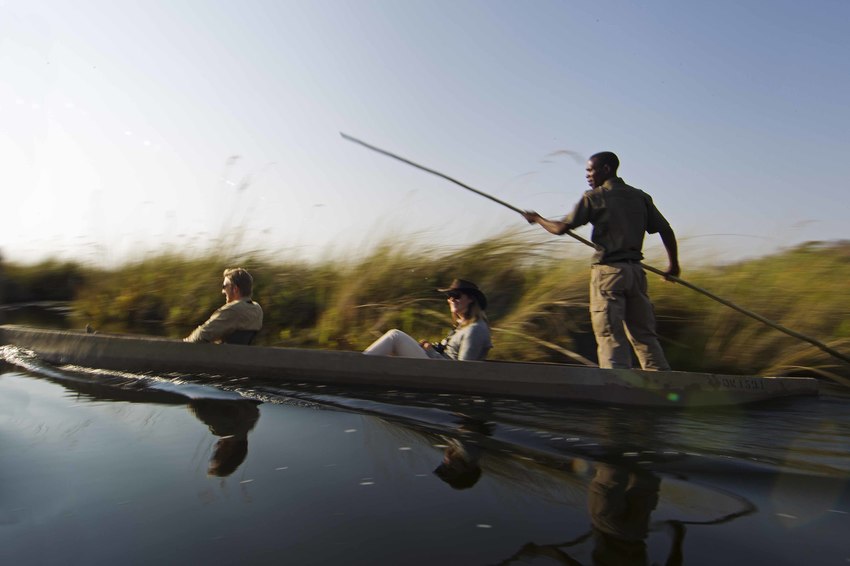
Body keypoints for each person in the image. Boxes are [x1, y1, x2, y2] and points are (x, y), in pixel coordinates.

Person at [522, 152, 679, 370]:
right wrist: (673, 265)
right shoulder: (640, 196)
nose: (587, 175)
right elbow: (665, 230)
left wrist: (537, 218)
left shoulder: (595, 197)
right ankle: (663, 381)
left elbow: (560, 228)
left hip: (609, 274)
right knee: (644, 335)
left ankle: (616, 385)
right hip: (635, 274)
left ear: (606, 169)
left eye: (590, 170)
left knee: (610, 334)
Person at [363, 279, 492, 361]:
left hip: (442, 374)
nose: (452, 299)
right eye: (449, 296)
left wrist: (430, 351)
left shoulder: (475, 330)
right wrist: (431, 349)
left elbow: (464, 370)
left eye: (456, 295)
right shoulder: (462, 326)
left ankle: (360, 366)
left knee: (395, 336)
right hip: (437, 366)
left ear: (471, 299)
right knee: (393, 346)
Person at [185, 267, 263, 344]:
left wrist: (184, 342)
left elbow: (200, 336)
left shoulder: (233, 310)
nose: (223, 291)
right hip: (240, 352)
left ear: (235, 289)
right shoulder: (257, 309)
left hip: (225, 352)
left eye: (224, 287)